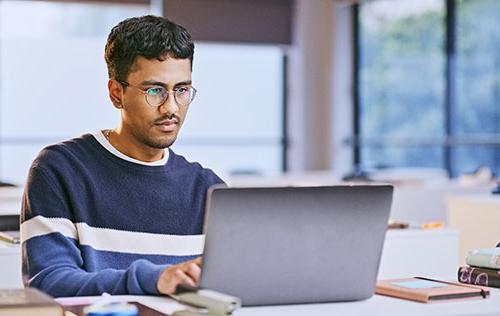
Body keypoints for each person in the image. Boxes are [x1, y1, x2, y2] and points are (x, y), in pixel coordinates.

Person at [20, 15, 224, 297]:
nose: (171, 108)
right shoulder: (59, 170)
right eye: (155, 91)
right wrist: (153, 279)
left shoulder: (208, 187)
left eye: (182, 90)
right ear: (117, 94)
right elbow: (48, 283)